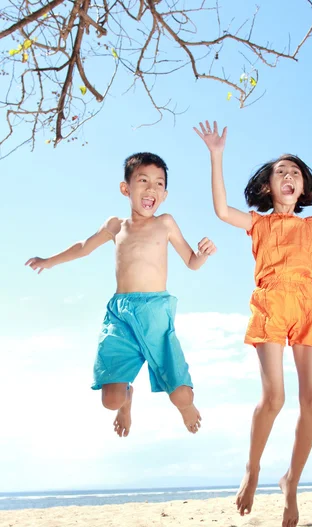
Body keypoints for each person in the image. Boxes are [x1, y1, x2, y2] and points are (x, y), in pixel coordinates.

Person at [195, 121, 312, 527]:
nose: (288, 176)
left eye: (295, 173)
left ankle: (291, 481)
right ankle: (253, 468)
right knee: (275, 399)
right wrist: (216, 155)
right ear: (267, 186)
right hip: (270, 302)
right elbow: (221, 209)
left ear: (303, 190)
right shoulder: (258, 223)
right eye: (280, 171)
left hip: (305, 304)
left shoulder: (310, 226)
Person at [26, 152, 216, 438]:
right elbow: (83, 247)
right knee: (110, 400)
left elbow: (191, 261)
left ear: (164, 194)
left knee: (181, 395)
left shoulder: (165, 223)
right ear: (126, 189)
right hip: (121, 315)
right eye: (143, 180)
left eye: (158, 183)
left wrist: (202, 255)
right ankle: (126, 401)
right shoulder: (116, 226)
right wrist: (49, 261)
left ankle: (185, 407)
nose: (151, 188)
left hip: (155, 314)